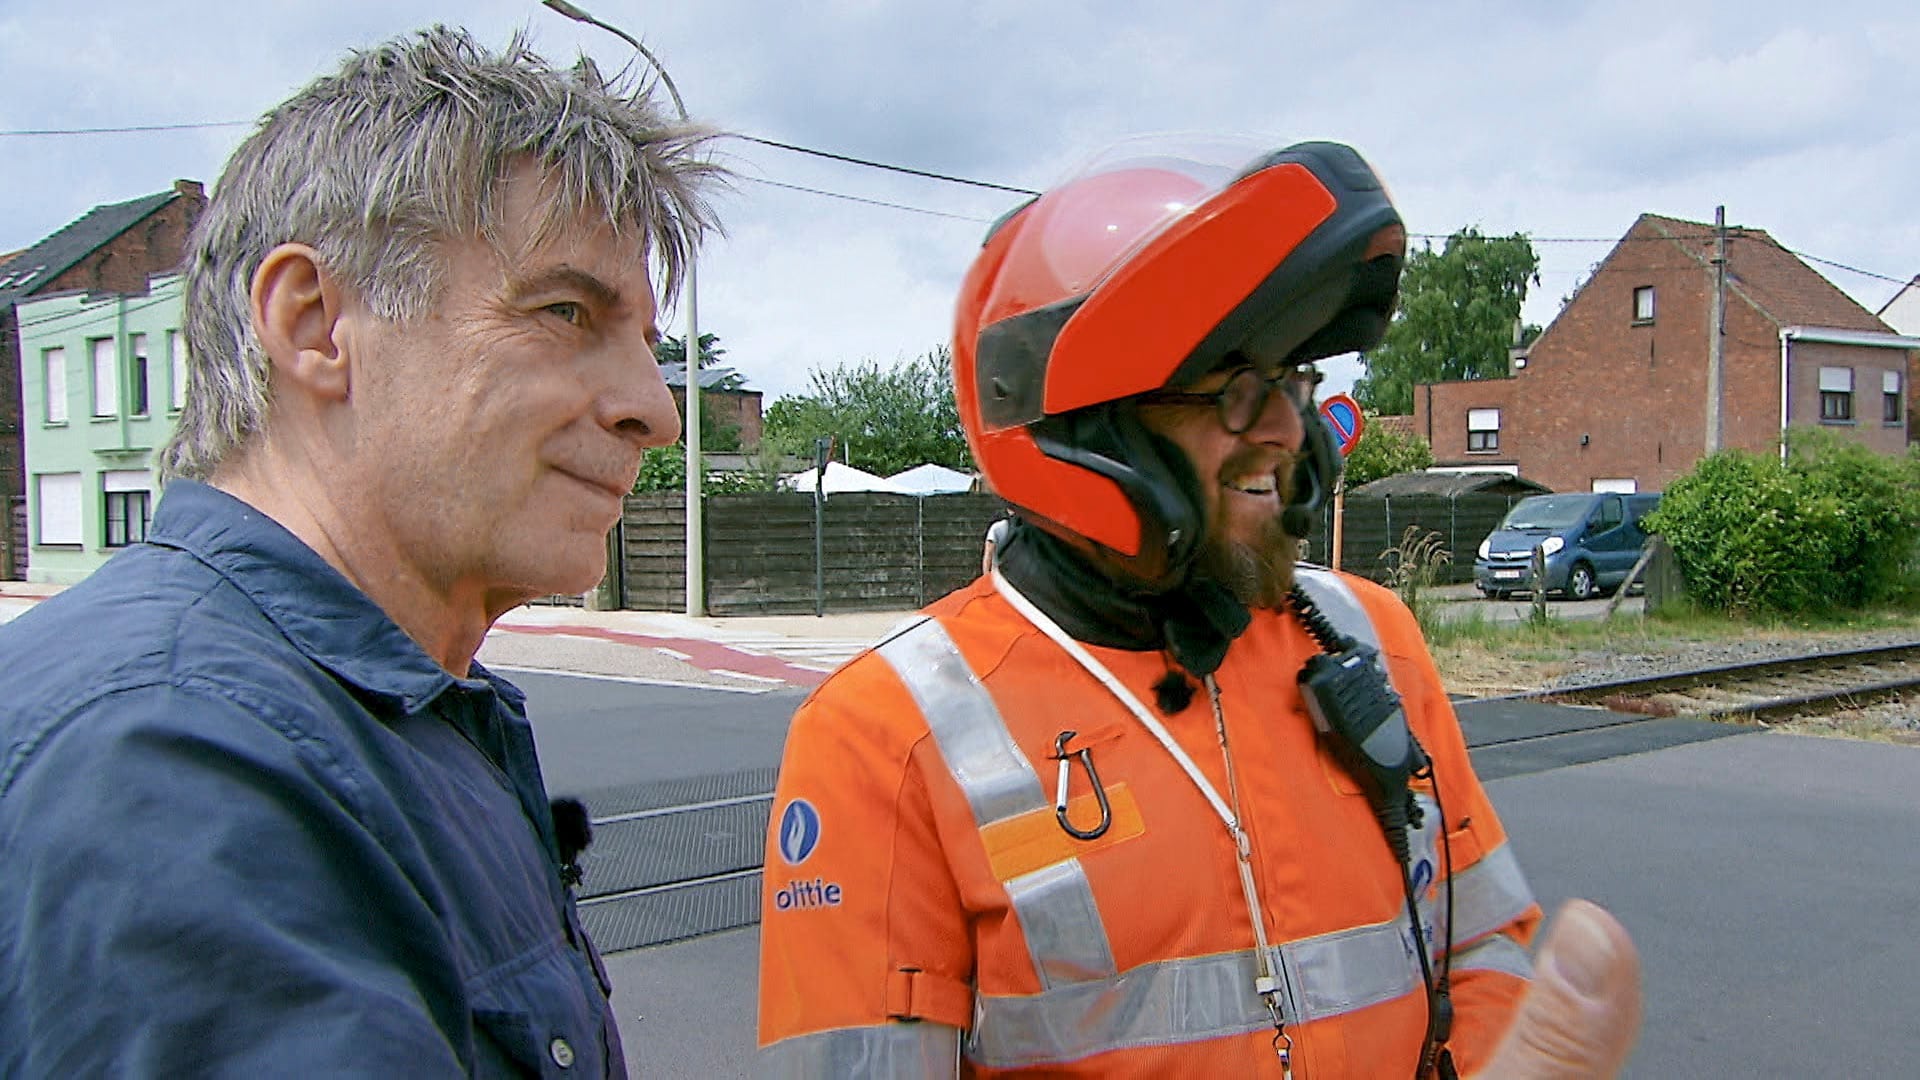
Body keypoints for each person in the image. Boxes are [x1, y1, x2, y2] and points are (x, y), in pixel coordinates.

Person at [757, 139, 1640, 1077]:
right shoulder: (884, 737)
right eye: (1234, 387)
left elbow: (1478, 941)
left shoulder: (1370, 636)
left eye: (1295, 379)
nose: (1289, 429)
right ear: (1089, 427)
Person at [0, 27, 723, 1076]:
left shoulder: (378, 708)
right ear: (313, 324)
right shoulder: (172, 765)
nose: (656, 411)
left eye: (648, 347)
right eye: (566, 312)